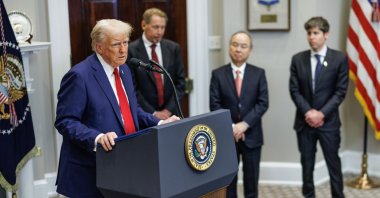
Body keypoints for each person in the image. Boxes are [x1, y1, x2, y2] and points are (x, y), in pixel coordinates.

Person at [54, 19, 179, 198]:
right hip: (88, 173)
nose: (123, 50)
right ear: (99, 47)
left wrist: (161, 122)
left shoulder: (124, 70)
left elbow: (131, 111)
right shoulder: (79, 76)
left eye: (126, 43)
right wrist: (97, 137)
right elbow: (65, 121)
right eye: (116, 44)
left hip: (121, 168)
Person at [289, 16, 348, 198]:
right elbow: (294, 89)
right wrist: (308, 112)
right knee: (307, 166)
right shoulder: (298, 59)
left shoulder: (339, 59)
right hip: (304, 123)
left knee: (333, 165)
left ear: (326, 35)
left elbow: (340, 91)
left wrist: (321, 113)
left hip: (328, 123)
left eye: (316, 33)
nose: (311, 37)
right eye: (309, 33)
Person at [210, 31, 269, 198]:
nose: (238, 49)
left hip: (252, 136)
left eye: (243, 46)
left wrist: (244, 125)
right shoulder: (218, 74)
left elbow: (263, 103)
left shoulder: (259, 73)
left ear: (249, 50)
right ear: (229, 47)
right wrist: (233, 127)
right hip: (227, 136)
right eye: (235, 44)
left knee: (252, 182)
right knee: (229, 184)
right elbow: (214, 104)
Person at [128, 7, 185, 120]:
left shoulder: (174, 48)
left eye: (162, 27)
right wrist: (153, 113)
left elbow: (180, 83)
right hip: (144, 116)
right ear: (144, 25)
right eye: (155, 27)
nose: (159, 32)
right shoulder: (131, 50)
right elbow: (132, 87)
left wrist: (168, 110)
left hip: (171, 114)